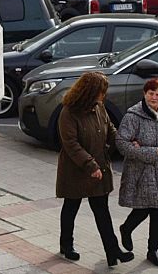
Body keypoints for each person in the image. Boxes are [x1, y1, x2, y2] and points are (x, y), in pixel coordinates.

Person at [56, 71, 134, 267]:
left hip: (99, 168)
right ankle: (66, 245)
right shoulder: (68, 112)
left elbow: (110, 129)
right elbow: (71, 144)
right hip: (76, 169)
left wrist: (125, 143)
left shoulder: (99, 107)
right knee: (71, 207)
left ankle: (112, 252)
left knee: (101, 211)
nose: (103, 96)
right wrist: (90, 165)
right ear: (89, 91)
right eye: (101, 92)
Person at [115, 77, 158, 268]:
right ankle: (126, 229)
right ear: (145, 94)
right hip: (140, 172)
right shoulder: (133, 116)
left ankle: (153, 250)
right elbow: (121, 143)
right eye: (151, 93)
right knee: (143, 209)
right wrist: (148, 152)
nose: (154, 97)